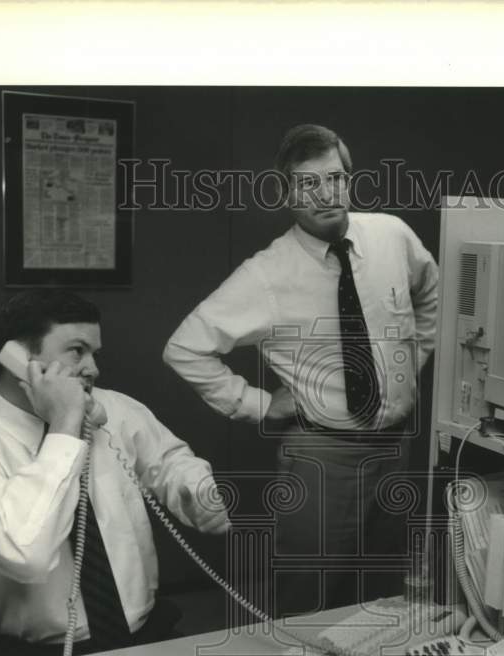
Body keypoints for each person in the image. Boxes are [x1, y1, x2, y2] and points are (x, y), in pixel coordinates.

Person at [164, 123, 439, 616]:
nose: (325, 194)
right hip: (321, 455)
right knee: (308, 599)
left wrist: (409, 368)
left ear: (349, 177)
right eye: (307, 183)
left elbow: (429, 292)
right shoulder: (267, 274)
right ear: (286, 193)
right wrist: (259, 404)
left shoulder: (392, 236)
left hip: (397, 448)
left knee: (385, 595)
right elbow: (185, 348)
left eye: (334, 178)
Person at [0, 290, 229, 656]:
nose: (93, 368)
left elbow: (168, 459)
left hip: (143, 632)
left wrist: (194, 488)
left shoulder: (114, 410)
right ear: (18, 360)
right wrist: (64, 427)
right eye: (77, 350)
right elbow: (24, 553)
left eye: (94, 353)